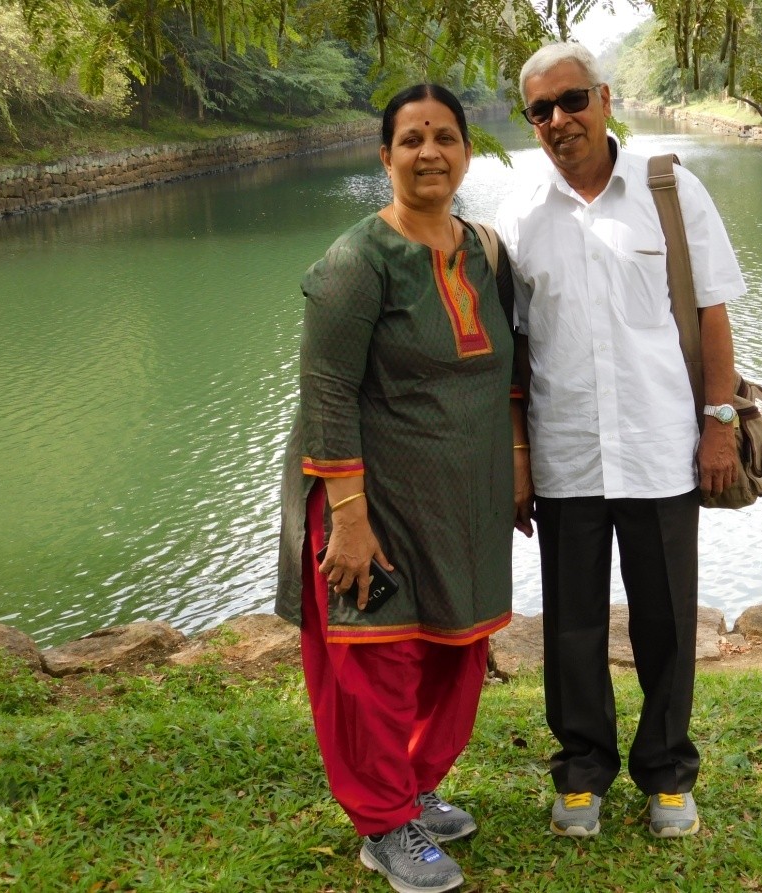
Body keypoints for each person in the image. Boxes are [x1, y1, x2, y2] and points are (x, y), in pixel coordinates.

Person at [275, 83, 530, 893]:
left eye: (445, 137)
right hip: (370, 503)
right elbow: (325, 395)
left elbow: (512, 371)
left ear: (465, 151)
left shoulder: (486, 250)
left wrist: (517, 462)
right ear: (384, 155)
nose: (430, 153)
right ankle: (383, 825)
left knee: (455, 653)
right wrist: (346, 518)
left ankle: (411, 788)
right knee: (376, 665)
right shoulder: (356, 261)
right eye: (411, 139)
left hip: (462, 500)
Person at [495, 42, 745, 840]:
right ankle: (581, 774)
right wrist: (516, 458)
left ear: (603, 98)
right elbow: (512, 352)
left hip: (661, 445)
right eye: (540, 110)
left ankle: (668, 774)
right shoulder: (518, 215)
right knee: (570, 626)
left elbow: (711, 312)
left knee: (665, 620)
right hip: (565, 450)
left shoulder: (670, 192)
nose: (558, 121)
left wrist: (718, 425)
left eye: (571, 101)